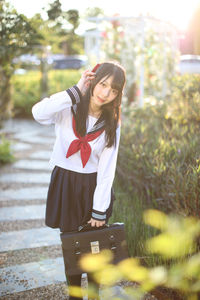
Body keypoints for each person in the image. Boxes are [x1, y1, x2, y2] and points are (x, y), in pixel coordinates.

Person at [32, 61, 126, 299]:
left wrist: (99, 210)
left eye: (113, 89)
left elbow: (107, 169)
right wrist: (75, 90)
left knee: (95, 247)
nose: (106, 93)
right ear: (92, 80)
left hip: (94, 187)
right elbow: (38, 113)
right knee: (72, 248)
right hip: (66, 184)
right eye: (103, 84)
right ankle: (74, 294)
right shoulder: (68, 107)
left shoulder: (111, 122)